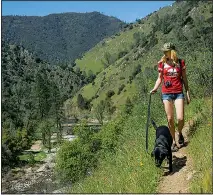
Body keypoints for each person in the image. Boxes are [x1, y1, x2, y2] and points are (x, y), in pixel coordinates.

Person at [150, 42, 190, 152]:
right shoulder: (162, 64)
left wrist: (187, 92)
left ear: (172, 51)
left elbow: (184, 78)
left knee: (180, 118)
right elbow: (160, 78)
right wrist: (155, 88)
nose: (164, 53)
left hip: (178, 92)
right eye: (163, 51)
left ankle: (180, 133)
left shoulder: (181, 63)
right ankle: (173, 141)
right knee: (170, 118)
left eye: (166, 51)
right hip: (166, 93)